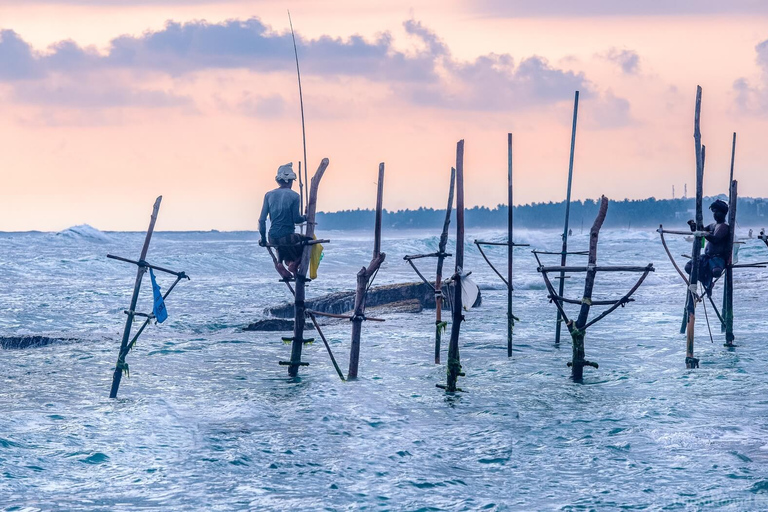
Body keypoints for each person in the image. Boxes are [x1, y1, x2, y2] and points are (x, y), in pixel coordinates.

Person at [258, 163, 306, 279]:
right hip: (288, 237)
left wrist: (264, 240)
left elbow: (261, 220)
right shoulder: (295, 196)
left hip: (272, 237)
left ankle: (282, 264)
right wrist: (306, 216)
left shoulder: (268, 195)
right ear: (290, 181)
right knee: (308, 243)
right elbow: (296, 219)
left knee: (283, 249)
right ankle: (294, 264)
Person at [684, 199, 730, 297]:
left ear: (723, 213)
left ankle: (708, 282)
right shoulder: (713, 225)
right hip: (707, 256)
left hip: (718, 257)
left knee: (716, 272)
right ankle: (707, 281)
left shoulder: (724, 227)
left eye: (717, 211)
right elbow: (701, 230)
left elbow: (715, 239)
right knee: (688, 267)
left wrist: (703, 233)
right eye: (713, 212)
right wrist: (694, 227)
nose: (715, 214)